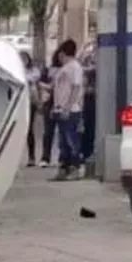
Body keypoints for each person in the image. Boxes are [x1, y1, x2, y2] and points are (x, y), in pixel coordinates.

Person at [52, 39, 87, 181]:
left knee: (71, 140)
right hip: (61, 108)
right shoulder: (65, 68)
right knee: (62, 141)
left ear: (63, 53)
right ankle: (63, 168)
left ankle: (76, 168)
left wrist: (67, 107)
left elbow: (76, 87)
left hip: (71, 110)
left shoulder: (74, 67)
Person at [37, 47, 62, 169]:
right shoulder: (49, 69)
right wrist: (49, 86)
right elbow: (40, 82)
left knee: (63, 132)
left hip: (62, 101)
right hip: (49, 101)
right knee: (48, 132)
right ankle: (45, 157)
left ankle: (63, 158)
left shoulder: (66, 69)